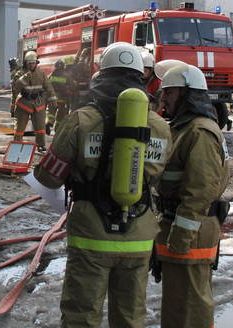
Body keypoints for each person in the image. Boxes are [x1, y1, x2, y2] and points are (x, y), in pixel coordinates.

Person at [33, 42, 172, 327]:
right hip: (139, 237)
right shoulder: (160, 126)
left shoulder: (81, 120)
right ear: (140, 77)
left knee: (81, 317)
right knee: (130, 318)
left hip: (91, 236)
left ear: (102, 75)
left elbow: (47, 177)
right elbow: (157, 176)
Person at [154, 61, 229, 328]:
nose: (164, 98)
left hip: (191, 232)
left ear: (188, 94)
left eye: (170, 92)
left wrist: (181, 236)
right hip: (180, 228)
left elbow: (200, 191)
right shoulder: (184, 128)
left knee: (191, 308)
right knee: (177, 305)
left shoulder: (200, 131)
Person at [11, 51, 57, 152]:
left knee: (40, 127)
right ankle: (17, 144)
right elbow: (15, 89)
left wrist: (53, 99)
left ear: (36, 62)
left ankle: (40, 145)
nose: (32, 65)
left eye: (33, 63)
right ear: (26, 63)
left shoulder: (41, 73)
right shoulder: (20, 73)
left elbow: (48, 87)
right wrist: (24, 79)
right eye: (29, 63)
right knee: (20, 128)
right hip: (24, 104)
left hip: (38, 103)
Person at [46, 59, 76, 135]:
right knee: (60, 115)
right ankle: (57, 129)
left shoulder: (51, 75)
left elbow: (46, 85)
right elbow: (73, 86)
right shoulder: (67, 75)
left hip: (52, 98)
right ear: (63, 66)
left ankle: (49, 123)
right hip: (63, 99)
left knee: (51, 113)